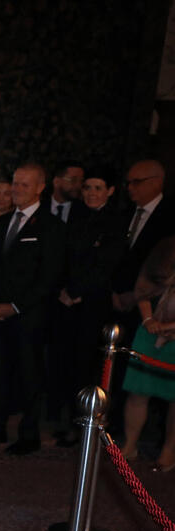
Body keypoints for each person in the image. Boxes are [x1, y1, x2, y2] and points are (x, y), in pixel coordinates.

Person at [0, 162, 65, 455]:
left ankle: (28, 434)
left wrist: (15, 307)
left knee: (29, 375)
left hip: (29, 318)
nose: (17, 189)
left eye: (25, 184)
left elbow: (50, 277)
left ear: (40, 188)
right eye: (15, 183)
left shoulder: (52, 227)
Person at [48, 166, 126, 445]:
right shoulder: (75, 216)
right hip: (67, 302)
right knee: (65, 360)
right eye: (88, 188)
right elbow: (63, 256)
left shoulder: (115, 222)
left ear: (110, 191)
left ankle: (84, 423)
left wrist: (79, 291)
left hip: (93, 305)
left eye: (97, 188)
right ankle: (66, 417)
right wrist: (63, 290)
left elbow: (106, 264)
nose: (91, 193)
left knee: (87, 364)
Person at [121, 235, 175, 471]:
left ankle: (168, 452)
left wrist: (169, 327)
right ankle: (130, 445)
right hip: (150, 332)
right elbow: (145, 288)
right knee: (138, 392)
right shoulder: (167, 246)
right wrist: (149, 319)